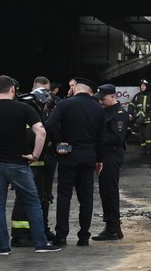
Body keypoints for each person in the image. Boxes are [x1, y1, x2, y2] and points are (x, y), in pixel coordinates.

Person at [0, 75, 60, 255]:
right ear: (13, 90)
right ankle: (40, 244)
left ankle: (3, 248)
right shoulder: (24, 109)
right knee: (33, 202)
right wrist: (35, 155)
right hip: (18, 163)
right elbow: (41, 133)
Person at [44, 77, 105, 247]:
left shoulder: (64, 104)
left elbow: (50, 125)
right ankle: (84, 236)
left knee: (64, 196)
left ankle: (61, 236)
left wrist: (59, 144)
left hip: (67, 155)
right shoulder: (98, 109)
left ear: (76, 87)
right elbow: (102, 138)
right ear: (90, 91)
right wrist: (99, 159)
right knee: (86, 198)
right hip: (88, 157)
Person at [10, 76, 55, 247]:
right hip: (30, 164)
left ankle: (33, 231)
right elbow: (32, 137)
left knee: (36, 199)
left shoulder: (28, 110)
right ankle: (21, 235)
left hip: (36, 165)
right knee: (24, 200)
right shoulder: (29, 113)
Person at [95, 83, 130, 241]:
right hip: (106, 154)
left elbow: (117, 137)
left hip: (113, 153)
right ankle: (113, 227)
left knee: (109, 190)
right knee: (105, 190)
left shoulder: (119, 113)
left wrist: (96, 137)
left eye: (103, 99)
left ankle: (112, 227)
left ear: (112, 96)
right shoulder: (106, 110)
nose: (100, 102)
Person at [130, 80, 151, 149]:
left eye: (144, 86)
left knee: (147, 133)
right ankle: (143, 148)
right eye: (141, 86)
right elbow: (131, 105)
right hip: (140, 118)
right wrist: (130, 113)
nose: (142, 87)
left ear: (147, 87)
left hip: (150, 118)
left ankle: (149, 149)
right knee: (141, 135)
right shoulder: (137, 95)